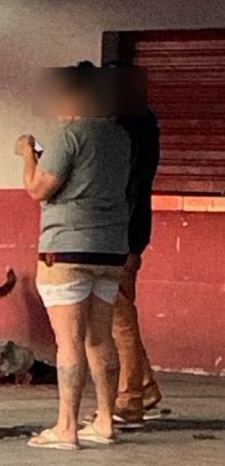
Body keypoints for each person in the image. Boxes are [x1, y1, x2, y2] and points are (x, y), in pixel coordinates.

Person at [16, 67, 131, 449]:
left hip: (67, 248)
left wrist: (27, 154)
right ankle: (105, 421)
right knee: (101, 339)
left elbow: (38, 189)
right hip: (110, 249)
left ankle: (66, 427)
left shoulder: (71, 136)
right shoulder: (120, 137)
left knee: (69, 341)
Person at [108, 60, 162, 428]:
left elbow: (124, 186)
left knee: (119, 319)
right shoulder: (145, 127)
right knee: (120, 314)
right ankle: (144, 386)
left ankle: (131, 398)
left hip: (120, 233)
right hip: (134, 230)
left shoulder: (124, 132)